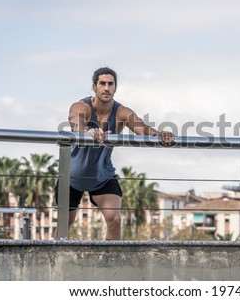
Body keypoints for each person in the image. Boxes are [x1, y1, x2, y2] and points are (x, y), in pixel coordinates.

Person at [55, 67, 174, 240]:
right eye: (102, 83)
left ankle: (108, 265)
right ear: (94, 86)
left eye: (111, 84)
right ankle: (52, 264)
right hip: (72, 177)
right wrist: (88, 131)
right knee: (65, 223)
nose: (106, 88)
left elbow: (142, 128)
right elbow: (77, 123)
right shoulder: (81, 106)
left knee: (115, 219)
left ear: (115, 88)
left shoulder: (121, 112)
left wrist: (159, 134)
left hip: (102, 177)